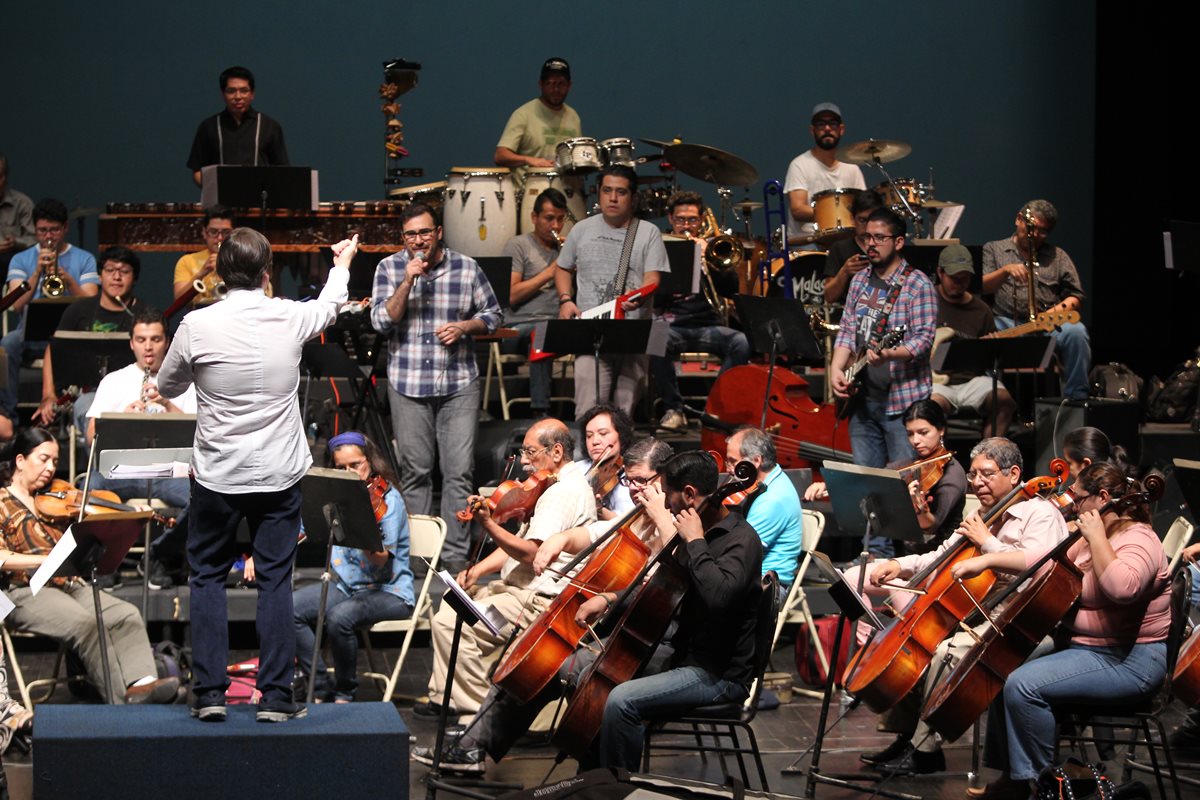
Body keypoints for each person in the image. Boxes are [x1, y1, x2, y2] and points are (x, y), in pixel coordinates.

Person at [416, 449, 762, 774]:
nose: (666, 506)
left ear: (688, 495)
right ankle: (557, 765)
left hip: (714, 673)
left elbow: (719, 597)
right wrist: (611, 600)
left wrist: (694, 541)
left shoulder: (740, 540)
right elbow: (665, 587)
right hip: (677, 652)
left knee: (620, 699)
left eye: (668, 497)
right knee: (559, 665)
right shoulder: (690, 530)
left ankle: (613, 786)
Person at [158, 228, 356, 723]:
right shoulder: (288, 316)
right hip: (276, 474)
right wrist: (342, 262)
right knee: (275, 581)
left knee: (205, 577)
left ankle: (208, 695)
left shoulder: (196, 324)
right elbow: (332, 304)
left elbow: (167, 382)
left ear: (221, 273)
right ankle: (275, 698)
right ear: (268, 273)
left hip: (218, 475)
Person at [847, 437, 1068, 777]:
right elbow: (942, 555)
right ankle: (908, 738)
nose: (977, 483)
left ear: (1013, 473)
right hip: (973, 613)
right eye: (973, 475)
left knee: (944, 652)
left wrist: (988, 544)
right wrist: (902, 565)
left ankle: (925, 751)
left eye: (987, 474)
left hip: (1012, 620)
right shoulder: (981, 513)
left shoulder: (1039, 513)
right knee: (909, 650)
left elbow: (1042, 569)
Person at [952, 462, 1169, 799]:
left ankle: (1045, 785)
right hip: (1087, 649)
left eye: (1079, 498)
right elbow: (1046, 559)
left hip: (1130, 660)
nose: (1071, 505)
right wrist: (987, 559)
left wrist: (1096, 538)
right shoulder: (1091, 536)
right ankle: (1014, 778)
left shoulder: (1139, 540)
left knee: (1023, 685)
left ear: (1103, 498)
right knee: (1002, 664)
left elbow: (1123, 588)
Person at [418, 417, 595, 723]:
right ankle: (443, 696)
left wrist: (487, 524)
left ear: (555, 452)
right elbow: (519, 543)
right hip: (518, 594)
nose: (524, 461)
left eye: (530, 453)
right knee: (455, 601)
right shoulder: (550, 485)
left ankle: (477, 719)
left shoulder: (561, 494)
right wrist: (478, 570)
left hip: (535, 602)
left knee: (451, 620)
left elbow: (530, 553)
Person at [0, 428, 180, 704]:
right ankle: (121, 702)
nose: (50, 468)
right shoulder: (1, 501)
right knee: (88, 626)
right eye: (43, 459)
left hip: (68, 583)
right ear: (21, 460)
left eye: (54, 461)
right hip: (24, 590)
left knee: (125, 613)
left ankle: (144, 687)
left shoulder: (54, 497)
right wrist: (45, 560)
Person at [370, 203, 501, 571]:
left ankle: (456, 559)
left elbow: (493, 315)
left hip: (458, 382)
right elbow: (381, 321)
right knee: (416, 472)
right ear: (403, 238)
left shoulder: (466, 267)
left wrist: (465, 327)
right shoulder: (390, 268)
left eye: (425, 233)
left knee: (459, 471)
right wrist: (408, 280)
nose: (418, 241)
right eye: (411, 234)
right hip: (408, 384)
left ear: (438, 232)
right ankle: (420, 558)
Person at [830, 208, 936, 556]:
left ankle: (910, 561)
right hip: (862, 398)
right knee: (867, 485)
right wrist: (836, 368)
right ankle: (874, 557)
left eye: (879, 238)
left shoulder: (917, 284)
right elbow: (847, 329)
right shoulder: (860, 280)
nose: (871, 244)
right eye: (866, 238)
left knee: (905, 487)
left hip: (901, 404)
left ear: (899, 241)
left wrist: (892, 354)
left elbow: (922, 340)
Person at [293, 431, 414, 703]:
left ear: (369, 461)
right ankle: (320, 685)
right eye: (341, 467)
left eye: (355, 465)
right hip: (347, 586)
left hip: (389, 591)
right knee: (291, 609)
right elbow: (302, 529)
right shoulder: (334, 499)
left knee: (339, 617)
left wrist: (360, 530)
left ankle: (345, 690)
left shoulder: (389, 500)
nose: (349, 472)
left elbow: (381, 559)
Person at [85, 306, 196, 588]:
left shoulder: (187, 381)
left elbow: (199, 434)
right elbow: (90, 437)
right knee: (90, 490)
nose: (148, 347)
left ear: (167, 341)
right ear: (131, 343)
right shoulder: (113, 381)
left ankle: (158, 554)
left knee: (205, 497)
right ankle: (107, 561)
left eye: (156, 339)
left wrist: (168, 405)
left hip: (170, 471)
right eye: (142, 340)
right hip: (121, 471)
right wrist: (124, 418)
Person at [554, 165, 669, 418]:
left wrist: (639, 297)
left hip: (632, 334)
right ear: (599, 194)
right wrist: (565, 300)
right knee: (588, 412)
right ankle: (588, 458)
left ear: (633, 197)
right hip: (591, 333)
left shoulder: (647, 232)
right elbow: (562, 268)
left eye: (620, 192)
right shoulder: (582, 229)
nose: (613, 198)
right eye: (607, 191)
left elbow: (653, 277)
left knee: (623, 414)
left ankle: (620, 458)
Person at [807, 400, 967, 554]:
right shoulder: (911, 464)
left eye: (923, 433)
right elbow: (870, 479)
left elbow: (931, 526)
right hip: (907, 556)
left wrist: (919, 508)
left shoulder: (952, 474)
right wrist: (828, 485)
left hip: (941, 557)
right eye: (910, 434)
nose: (916, 441)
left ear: (941, 430)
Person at [652, 192, 750, 431]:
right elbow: (654, 297)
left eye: (692, 220)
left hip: (706, 325)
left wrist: (708, 259)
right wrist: (679, 263)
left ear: (702, 220)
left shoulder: (709, 247)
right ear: (670, 219)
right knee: (654, 337)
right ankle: (673, 409)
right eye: (680, 220)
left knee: (741, 342)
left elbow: (730, 289)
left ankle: (714, 409)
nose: (686, 226)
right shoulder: (659, 248)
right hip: (673, 325)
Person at [0, 198, 99, 429]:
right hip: (30, 330)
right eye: (43, 230)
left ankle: (73, 417)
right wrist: (36, 273)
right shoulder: (21, 259)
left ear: (65, 228)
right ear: (35, 230)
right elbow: (16, 305)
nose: (49, 236)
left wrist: (69, 280)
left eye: (54, 230)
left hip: (69, 332)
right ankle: (8, 417)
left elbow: (91, 302)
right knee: (6, 346)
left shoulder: (84, 259)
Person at [982, 199, 1090, 400]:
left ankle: (1077, 400)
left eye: (1042, 231)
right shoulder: (994, 249)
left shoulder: (1057, 256)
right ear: (1019, 220)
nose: (1034, 235)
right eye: (1032, 228)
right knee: (989, 335)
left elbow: (1077, 295)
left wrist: (1054, 313)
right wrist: (1005, 271)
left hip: (1048, 324)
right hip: (1007, 320)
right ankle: (992, 399)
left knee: (1077, 333)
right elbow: (982, 285)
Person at [32, 245, 143, 429]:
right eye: (110, 270)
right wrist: (48, 394)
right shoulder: (78, 310)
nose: (116, 277)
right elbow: (53, 350)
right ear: (100, 275)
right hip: (89, 392)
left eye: (124, 271)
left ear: (135, 278)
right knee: (92, 418)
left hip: (135, 390)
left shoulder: (144, 313)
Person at [930, 244, 1016, 438]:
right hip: (935, 381)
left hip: (970, 381)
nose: (959, 284)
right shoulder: (926, 300)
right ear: (940, 272)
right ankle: (936, 464)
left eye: (965, 279)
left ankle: (987, 458)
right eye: (954, 279)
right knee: (932, 405)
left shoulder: (981, 309)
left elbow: (990, 360)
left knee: (1004, 401)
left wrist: (989, 348)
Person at [501, 188, 567, 416]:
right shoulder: (519, 245)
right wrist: (550, 273)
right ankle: (541, 411)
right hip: (517, 327)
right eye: (549, 218)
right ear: (534, 217)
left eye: (560, 219)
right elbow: (511, 296)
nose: (555, 226)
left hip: (557, 325)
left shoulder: (566, 250)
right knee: (542, 331)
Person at [725, 427, 802, 591]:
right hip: (749, 574)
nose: (728, 469)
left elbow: (741, 550)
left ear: (756, 460)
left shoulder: (772, 499)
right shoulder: (769, 482)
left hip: (766, 586)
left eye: (732, 461)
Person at [187, 66, 289, 187]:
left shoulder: (270, 126)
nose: (238, 97)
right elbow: (198, 171)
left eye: (244, 90)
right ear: (223, 94)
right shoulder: (209, 126)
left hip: (260, 203)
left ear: (252, 94)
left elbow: (283, 171)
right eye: (231, 91)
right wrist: (214, 188)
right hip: (220, 203)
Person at [783, 102, 867, 244]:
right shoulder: (799, 165)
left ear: (841, 129)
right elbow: (797, 210)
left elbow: (864, 207)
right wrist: (836, 215)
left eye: (832, 124)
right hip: (808, 243)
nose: (827, 128)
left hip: (844, 242)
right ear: (812, 130)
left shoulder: (852, 168)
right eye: (821, 124)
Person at [494, 57, 581, 182]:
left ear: (569, 86)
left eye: (561, 84)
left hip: (564, 194)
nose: (556, 89)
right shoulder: (523, 114)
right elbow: (500, 155)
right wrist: (528, 160)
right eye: (550, 83)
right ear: (540, 84)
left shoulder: (573, 117)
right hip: (529, 193)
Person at [821, 189, 882, 303]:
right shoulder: (840, 248)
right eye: (862, 220)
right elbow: (829, 297)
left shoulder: (888, 247)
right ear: (853, 219)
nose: (868, 226)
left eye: (872, 220)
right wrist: (845, 272)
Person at [577, 403, 635, 520]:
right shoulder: (577, 469)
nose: (595, 441)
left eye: (603, 434)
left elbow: (629, 522)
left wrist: (599, 510)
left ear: (621, 435)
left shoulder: (631, 476)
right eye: (589, 436)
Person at [173, 205, 234, 305]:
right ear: (204, 233)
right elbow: (178, 301)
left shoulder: (242, 259)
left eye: (226, 232)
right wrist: (202, 272)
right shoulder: (187, 261)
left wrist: (227, 270)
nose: (219, 238)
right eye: (213, 232)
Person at [0, 154, 35, 274]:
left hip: (14, 262)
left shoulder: (22, 203)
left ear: (5, 178)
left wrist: (16, 242)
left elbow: (36, 239)